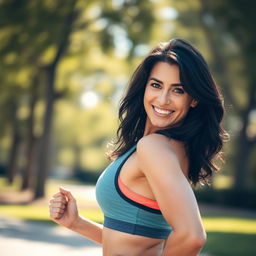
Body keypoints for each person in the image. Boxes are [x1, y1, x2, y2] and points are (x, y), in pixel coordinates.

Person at [49, 38, 229, 256]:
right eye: (156, 85)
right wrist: (76, 223)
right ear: (144, 87)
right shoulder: (171, 148)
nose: (163, 99)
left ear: (194, 99)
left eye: (178, 90)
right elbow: (138, 242)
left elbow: (192, 237)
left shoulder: (154, 148)